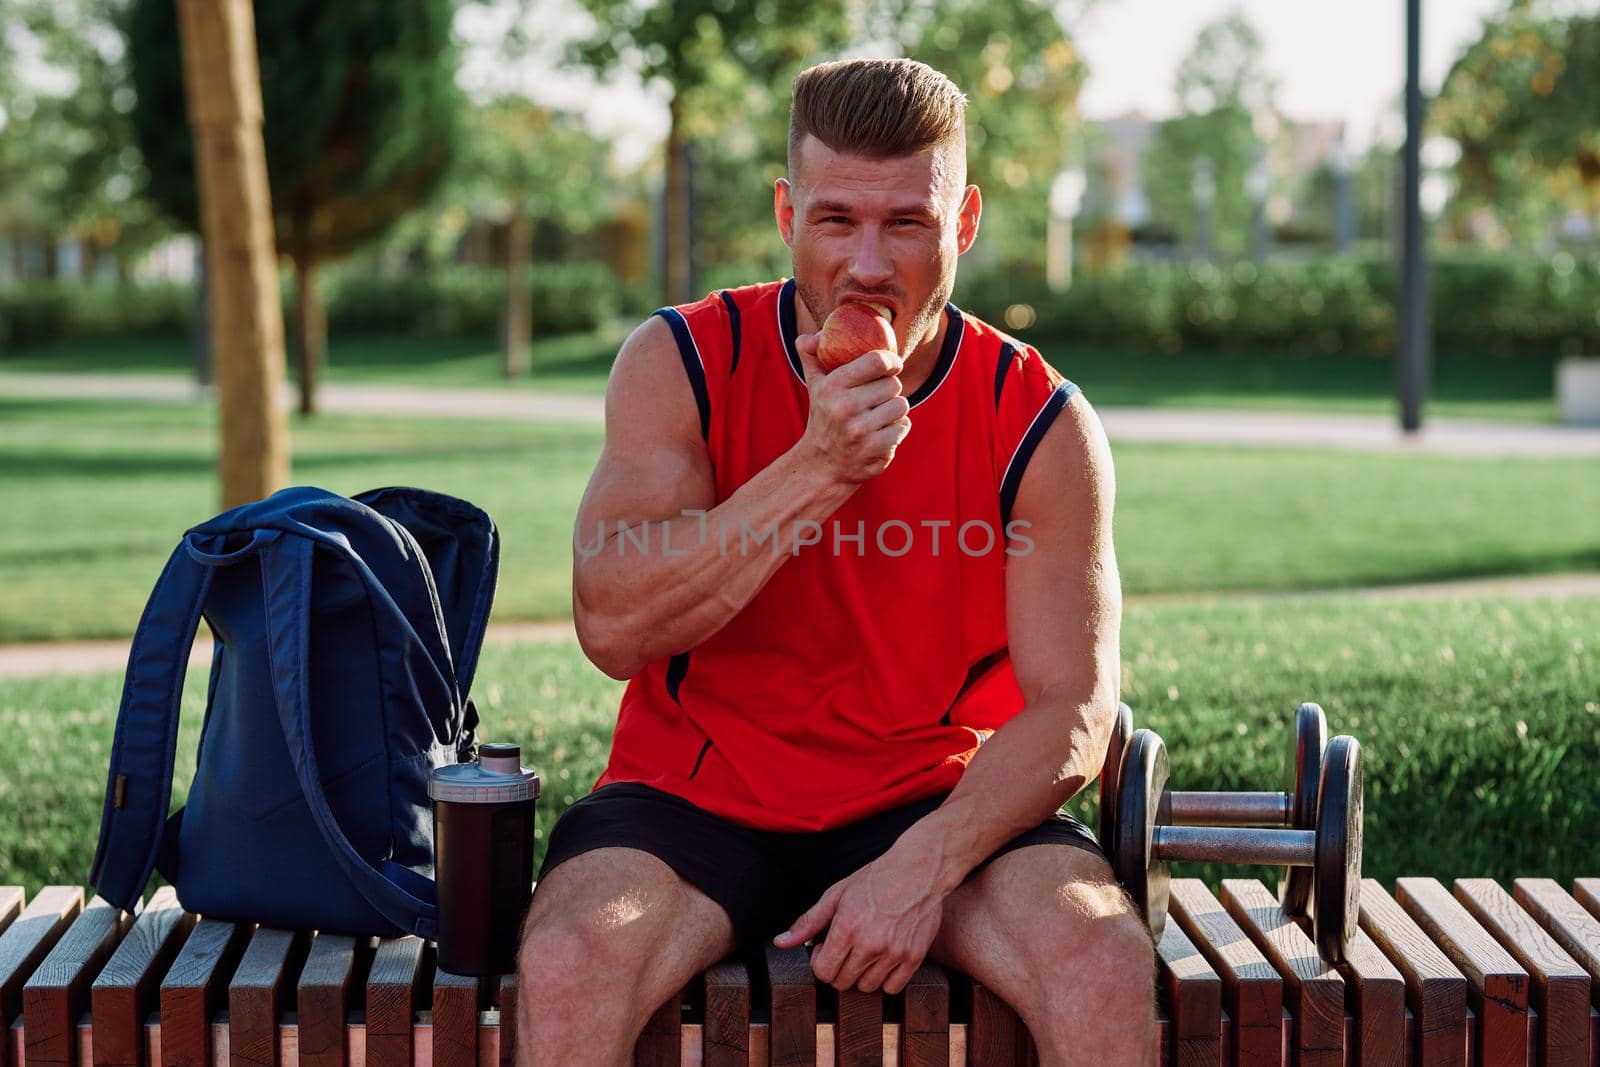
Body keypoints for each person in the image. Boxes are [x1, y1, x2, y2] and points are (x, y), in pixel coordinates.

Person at [517, 57, 1155, 1065]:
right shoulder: (678, 360)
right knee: (564, 963)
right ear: (785, 214)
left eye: (906, 221)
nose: (867, 262)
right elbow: (612, 624)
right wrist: (817, 466)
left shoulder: (1040, 420)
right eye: (835, 220)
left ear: (966, 220)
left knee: (1100, 959)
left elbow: (1073, 709)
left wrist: (923, 865)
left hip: (933, 794)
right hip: (694, 792)